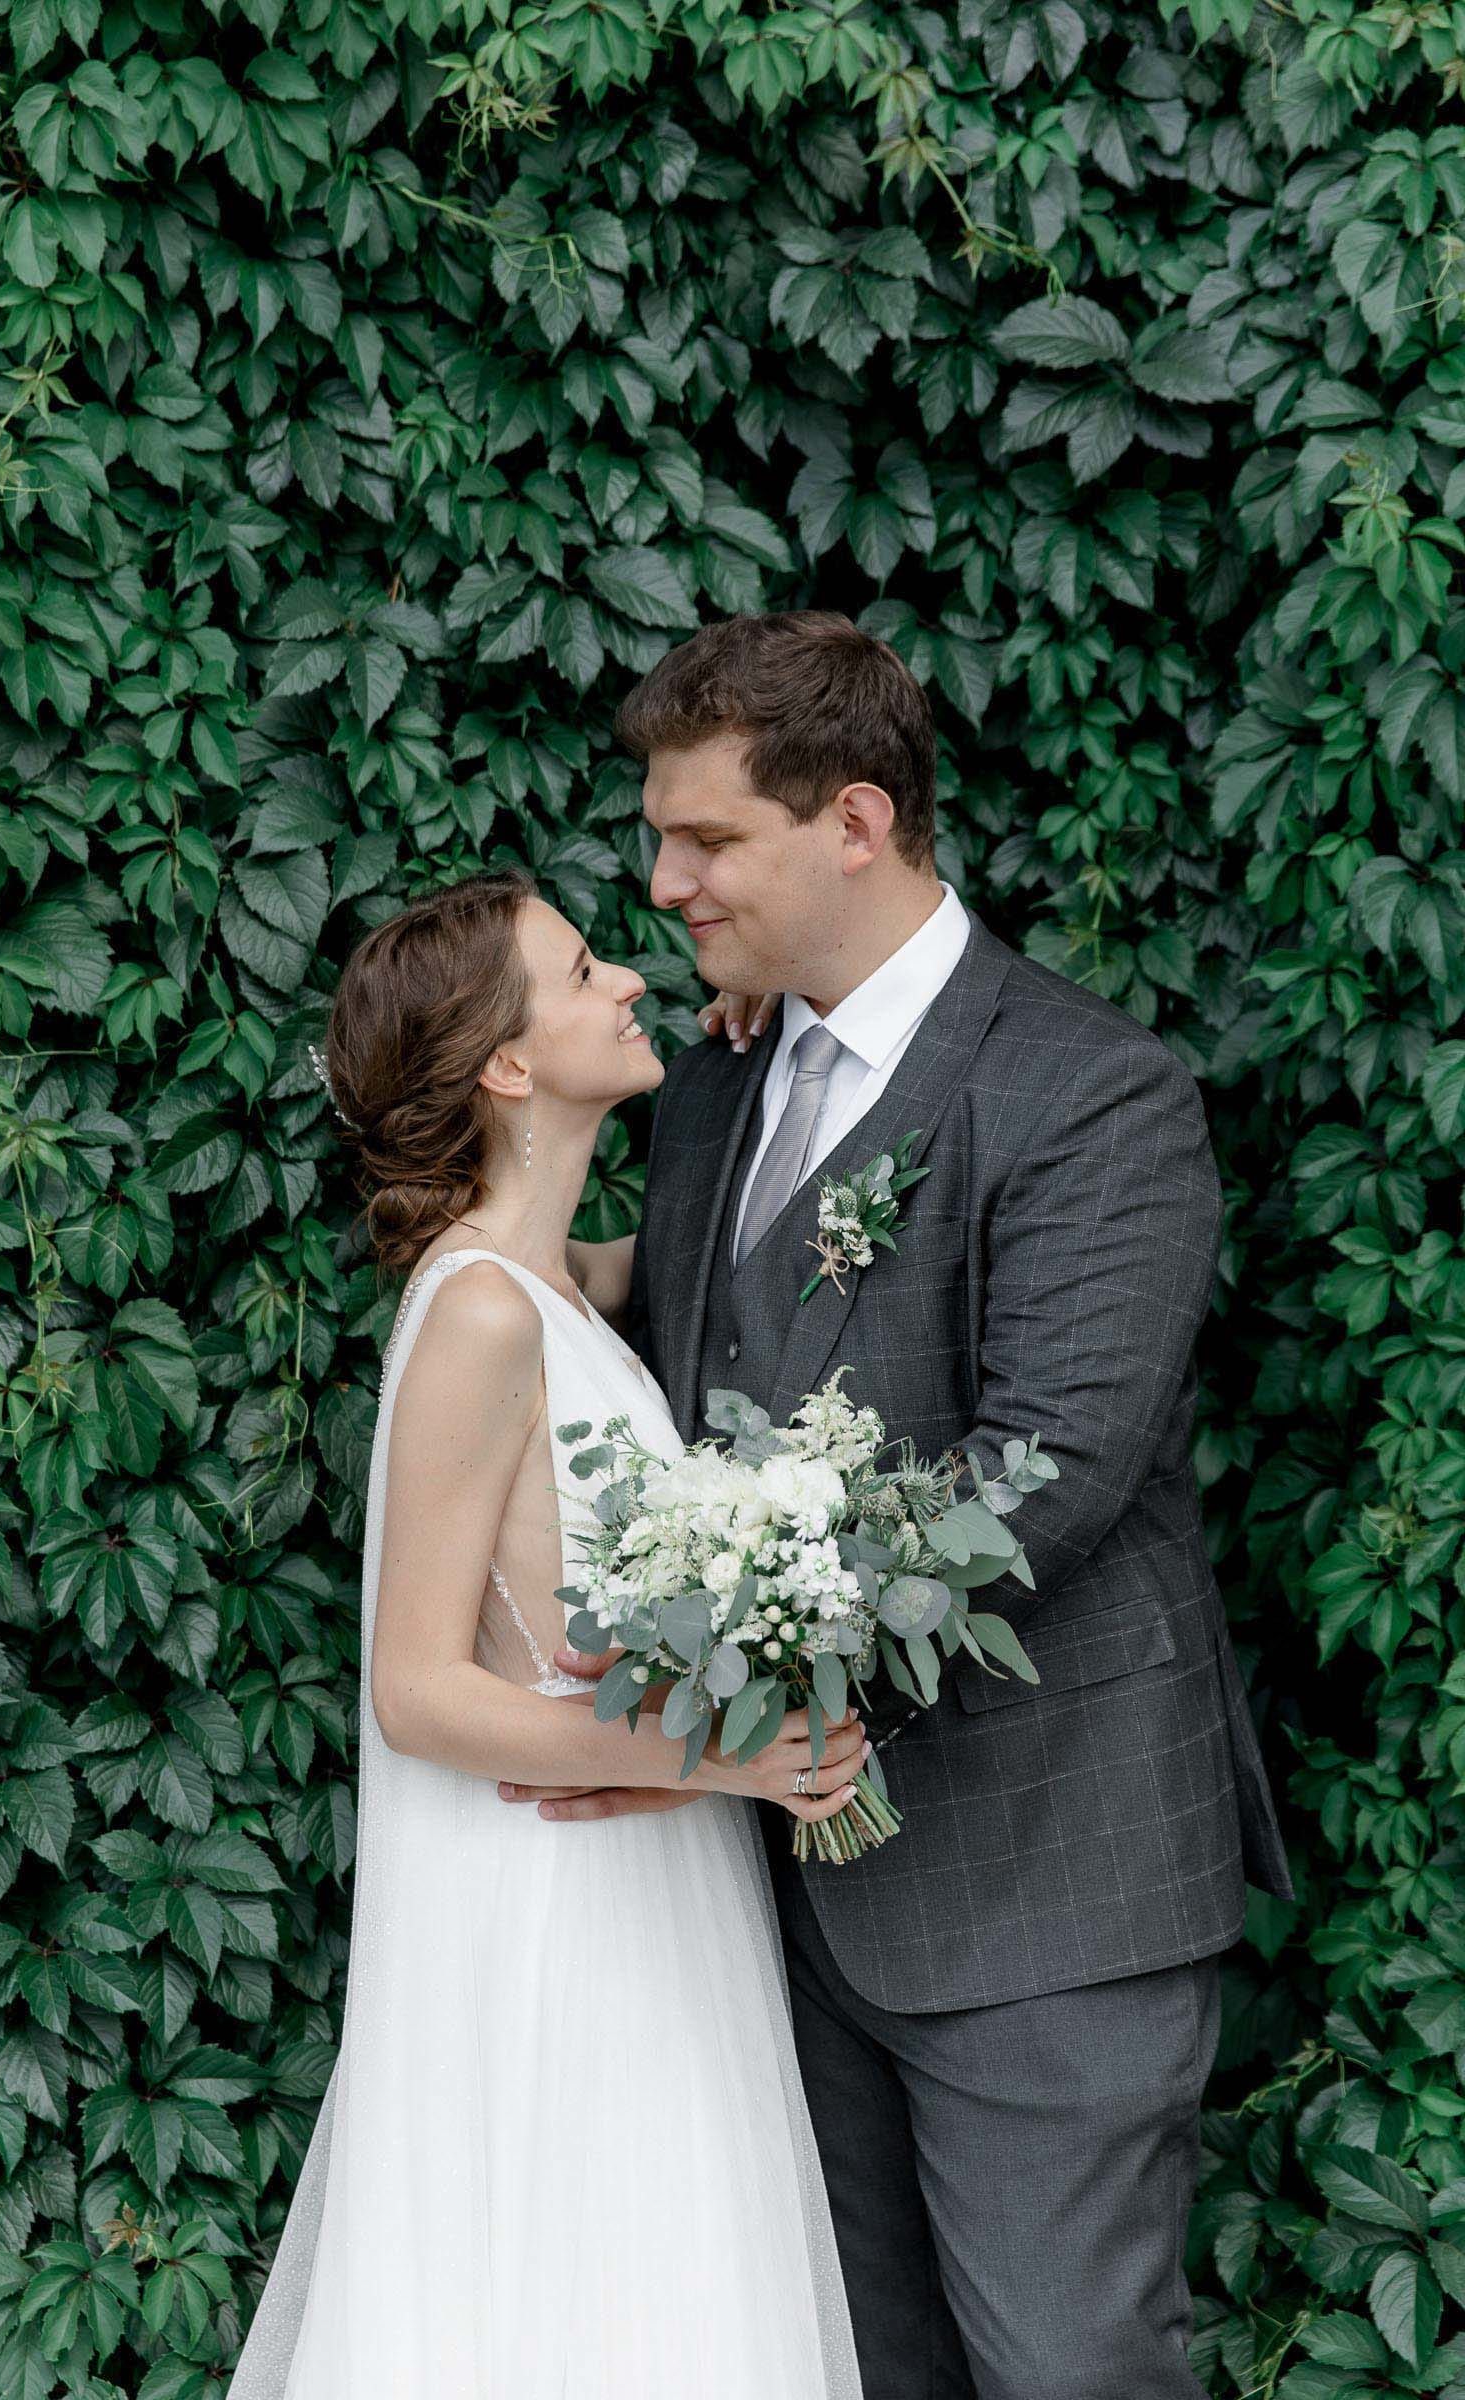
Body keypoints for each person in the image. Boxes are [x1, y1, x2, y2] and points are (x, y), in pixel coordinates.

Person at [499, 611, 1294, 2400]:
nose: (666, 879)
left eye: (707, 840)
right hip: (780, 1899)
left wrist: (705, 1674)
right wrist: (475, 1277)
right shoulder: (715, 1074)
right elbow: (687, 1328)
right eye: (659, 835)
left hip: (1043, 1888)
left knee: (1070, 2370)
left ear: (856, 823)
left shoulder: (1091, 1092)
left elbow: (1051, 1473)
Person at [226, 873, 865, 2399]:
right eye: (584, 972)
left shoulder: (548, 1285)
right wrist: (719, 1753)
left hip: (652, 1883)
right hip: (561, 1897)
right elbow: (416, 1692)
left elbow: (725, 1246)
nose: (630, 980)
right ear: (509, 1064)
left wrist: (750, 1046)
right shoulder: (480, 1320)